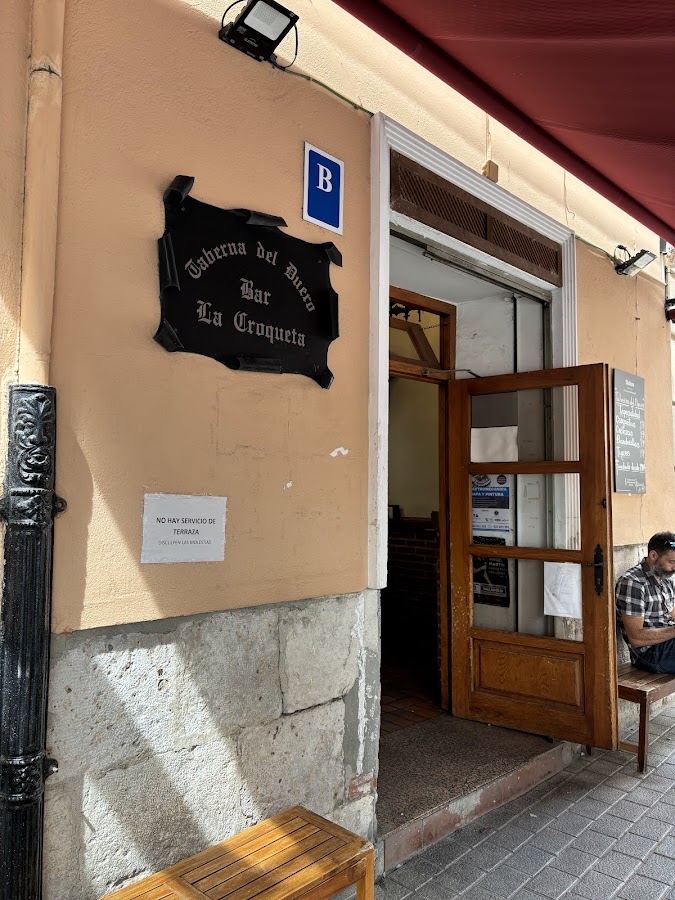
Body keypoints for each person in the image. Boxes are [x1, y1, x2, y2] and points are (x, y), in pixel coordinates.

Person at [615, 531, 675, 674]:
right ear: (653, 555)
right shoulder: (633, 583)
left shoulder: (666, 579)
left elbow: (673, 613)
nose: (674, 568)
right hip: (650, 654)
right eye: (672, 562)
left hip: (668, 645)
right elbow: (636, 638)